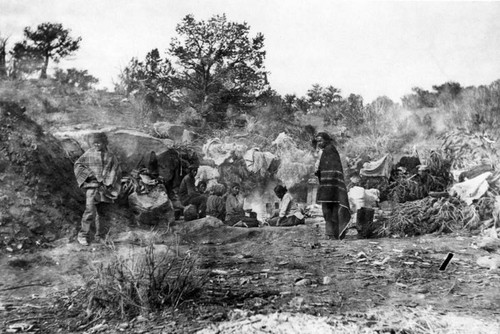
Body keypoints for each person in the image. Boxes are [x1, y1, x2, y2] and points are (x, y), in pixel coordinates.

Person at [74, 132, 122, 245]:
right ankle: (83, 235)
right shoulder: (89, 153)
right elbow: (78, 165)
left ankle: (100, 236)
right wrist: (89, 174)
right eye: (94, 143)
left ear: (104, 142)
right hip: (92, 187)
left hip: (105, 188)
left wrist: (110, 180)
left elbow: (116, 169)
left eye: (98, 143)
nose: (96, 145)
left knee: (103, 212)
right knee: (89, 210)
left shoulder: (110, 156)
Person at [313, 132, 351, 239]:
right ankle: (333, 234)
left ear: (327, 140)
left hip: (330, 187)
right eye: (318, 141)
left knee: (329, 211)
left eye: (321, 140)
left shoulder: (329, 150)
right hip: (330, 186)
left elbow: (332, 170)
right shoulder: (327, 150)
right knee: (329, 211)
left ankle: (333, 234)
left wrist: (318, 171)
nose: (319, 143)